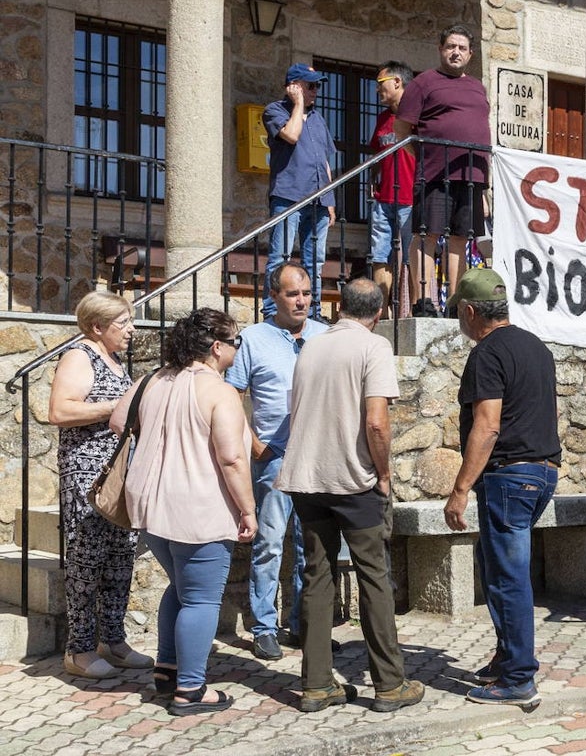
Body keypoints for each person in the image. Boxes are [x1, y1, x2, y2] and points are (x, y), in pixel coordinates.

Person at [275, 278, 424, 714]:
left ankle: (317, 684)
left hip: (305, 476)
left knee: (316, 576)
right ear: (378, 313)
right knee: (374, 578)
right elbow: (376, 422)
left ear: (340, 306)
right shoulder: (372, 347)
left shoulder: (313, 344)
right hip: (352, 479)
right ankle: (390, 683)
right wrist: (382, 474)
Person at [110, 309, 257, 715]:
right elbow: (231, 459)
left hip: (150, 504)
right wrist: (248, 510)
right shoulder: (219, 392)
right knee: (201, 600)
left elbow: (118, 420)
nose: (237, 349)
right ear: (216, 347)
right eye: (235, 341)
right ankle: (191, 690)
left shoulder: (153, 378)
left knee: (180, 589)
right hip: (197, 506)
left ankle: (168, 670)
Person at [443, 268, 561, 709]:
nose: (459, 318)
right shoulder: (536, 347)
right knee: (498, 572)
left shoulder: (487, 354)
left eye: (459, 311)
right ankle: (507, 657)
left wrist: (459, 489)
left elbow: (488, 426)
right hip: (541, 471)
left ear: (471, 311)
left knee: (507, 578)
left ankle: (517, 678)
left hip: (509, 475)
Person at [225, 263, 329, 662]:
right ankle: (264, 628)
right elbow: (232, 395)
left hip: (318, 455)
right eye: (292, 293)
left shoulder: (324, 334)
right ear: (274, 296)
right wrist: (254, 446)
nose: (301, 300)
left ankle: (305, 625)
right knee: (269, 542)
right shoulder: (253, 338)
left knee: (312, 544)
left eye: (306, 292)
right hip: (274, 456)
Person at [47, 291, 150, 679]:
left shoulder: (114, 359)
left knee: (119, 560)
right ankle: (80, 649)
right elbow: (60, 410)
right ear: (97, 326)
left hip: (117, 474)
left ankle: (114, 640)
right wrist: (120, 404)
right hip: (87, 477)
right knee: (86, 562)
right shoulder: (79, 355)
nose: (132, 330)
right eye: (124, 323)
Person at [395, 25, 491, 316]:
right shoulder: (424, 83)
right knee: (427, 235)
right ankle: (424, 300)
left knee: (461, 239)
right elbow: (402, 131)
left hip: (472, 177)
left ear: (470, 54)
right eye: (451, 46)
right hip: (435, 174)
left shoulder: (477, 87)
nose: (456, 52)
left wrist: (486, 188)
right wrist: (427, 156)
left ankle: (455, 301)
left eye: (462, 48)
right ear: (440, 49)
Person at [262, 64, 336, 319]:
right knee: (280, 257)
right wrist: (297, 105)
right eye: (310, 85)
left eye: (317, 86)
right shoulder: (275, 110)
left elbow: (325, 160)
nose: (315, 91)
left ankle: (313, 312)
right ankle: (272, 310)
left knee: (314, 261)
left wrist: (331, 201)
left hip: (319, 199)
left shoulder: (318, 118)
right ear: (293, 86)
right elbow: (291, 135)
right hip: (288, 196)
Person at [370, 60, 417, 318]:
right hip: (383, 199)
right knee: (380, 256)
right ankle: (381, 312)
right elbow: (377, 153)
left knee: (411, 259)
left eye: (380, 83)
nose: (377, 89)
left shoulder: (418, 115)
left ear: (397, 82)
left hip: (411, 198)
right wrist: (373, 179)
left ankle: (411, 312)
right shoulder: (382, 118)